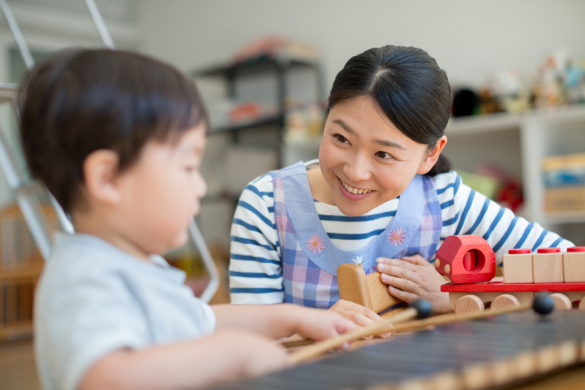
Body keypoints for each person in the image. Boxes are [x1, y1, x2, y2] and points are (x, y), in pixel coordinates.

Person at [19, 48, 362, 390]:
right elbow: (105, 378)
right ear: (107, 178)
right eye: (187, 167)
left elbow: (206, 321)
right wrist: (233, 355)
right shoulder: (85, 275)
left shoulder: (140, 266)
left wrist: (297, 318)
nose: (201, 186)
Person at [229, 44, 575, 315]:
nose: (355, 171)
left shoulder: (445, 199)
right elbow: (253, 340)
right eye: (340, 139)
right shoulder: (266, 204)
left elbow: (569, 264)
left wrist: (454, 296)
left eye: (383, 154)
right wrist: (315, 323)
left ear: (430, 155)